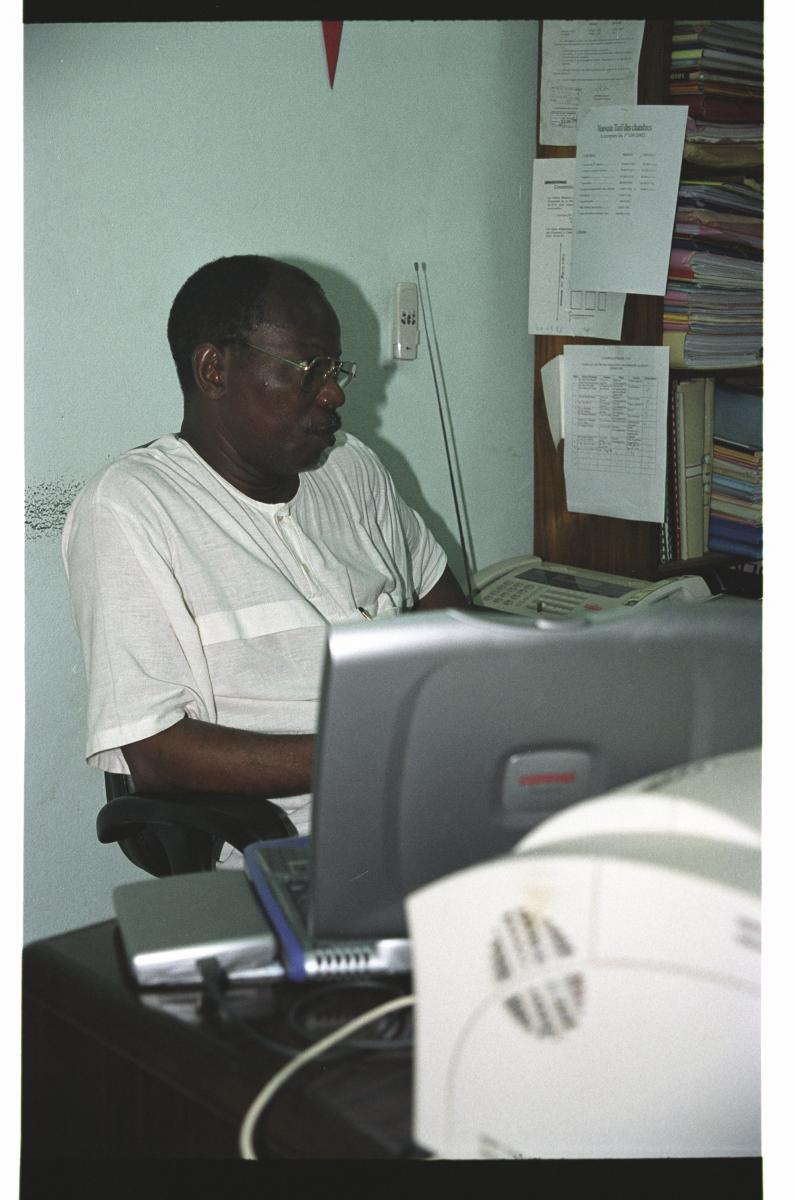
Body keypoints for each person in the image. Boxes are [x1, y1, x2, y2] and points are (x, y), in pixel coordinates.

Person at [62, 255, 465, 841]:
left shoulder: (350, 468)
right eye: (310, 370)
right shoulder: (130, 507)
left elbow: (452, 616)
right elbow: (155, 752)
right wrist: (373, 748)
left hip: (442, 794)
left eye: (336, 369)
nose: (334, 394)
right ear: (214, 371)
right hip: (306, 840)